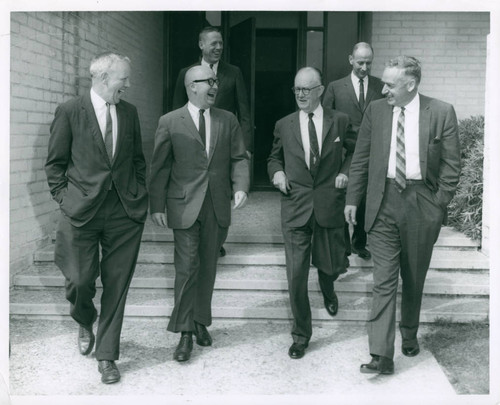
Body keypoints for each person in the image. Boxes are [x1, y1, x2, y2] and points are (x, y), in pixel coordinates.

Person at [345, 56, 460, 374]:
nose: (383, 89)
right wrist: (353, 199)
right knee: (383, 280)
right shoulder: (376, 111)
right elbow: (360, 159)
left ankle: (409, 333)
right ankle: (381, 354)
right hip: (382, 202)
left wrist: (438, 203)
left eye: (389, 84)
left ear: (410, 85)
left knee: (413, 276)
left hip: (421, 201)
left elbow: (452, 166)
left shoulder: (440, 112)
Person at [45, 52, 149, 384]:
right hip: (81, 213)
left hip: (124, 212)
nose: (128, 85)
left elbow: (137, 160)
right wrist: (66, 199)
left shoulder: (129, 113)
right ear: (103, 78)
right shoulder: (70, 111)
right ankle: (84, 318)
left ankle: (107, 356)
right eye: (124, 79)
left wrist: (138, 194)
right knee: (79, 279)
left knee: (117, 286)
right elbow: (54, 165)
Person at [149, 65, 250, 363]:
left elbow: (238, 157)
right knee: (186, 267)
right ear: (192, 86)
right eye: (210, 82)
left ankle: (200, 320)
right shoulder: (169, 121)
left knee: (207, 267)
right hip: (183, 205)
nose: (215, 86)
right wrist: (157, 205)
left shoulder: (227, 119)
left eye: (216, 81)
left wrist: (241, 185)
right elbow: (160, 167)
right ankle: (185, 333)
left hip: (217, 205)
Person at [268, 67, 354, 359]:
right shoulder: (284, 124)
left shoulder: (339, 121)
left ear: (320, 90)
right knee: (295, 276)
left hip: (329, 205)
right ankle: (301, 334)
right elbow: (273, 158)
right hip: (295, 208)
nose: (301, 95)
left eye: (306, 89)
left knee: (331, 266)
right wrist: (277, 173)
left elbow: (356, 152)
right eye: (297, 90)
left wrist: (345, 172)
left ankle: (328, 287)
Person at [172, 26, 252, 257]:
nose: (218, 47)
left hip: (223, 143)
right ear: (201, 45)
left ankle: (216, 240)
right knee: (195, 190)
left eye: (221, 43)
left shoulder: (233, 72)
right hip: (193, 142)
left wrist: (246, 148)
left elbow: (244, 112)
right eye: (213, 43)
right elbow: (176, 110)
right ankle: (196, 237)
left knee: (220, 190)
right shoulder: (185, 74)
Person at [323, 42, 384, 261]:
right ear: (351, 60)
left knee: (365, 199)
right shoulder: (335, 87)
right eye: (360, 62)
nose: (365, 67)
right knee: (341, 198)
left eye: (369, 63)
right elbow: (327, 121)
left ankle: (360, 243)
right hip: (342, 153)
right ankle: (343, 246)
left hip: (371, 153)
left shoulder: (381, 86)